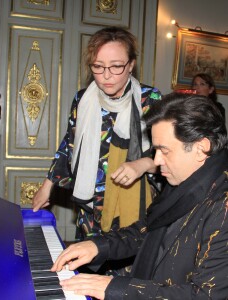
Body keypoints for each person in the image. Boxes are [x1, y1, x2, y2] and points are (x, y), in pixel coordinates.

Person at [51, 93, 228, 299]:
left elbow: (207, 295)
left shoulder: (222, 204)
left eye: (164, 150)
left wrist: (116, 288)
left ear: (201, 148)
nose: (157, 160)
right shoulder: (186, 181)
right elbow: (146, 230)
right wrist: (98, 246)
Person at [32, 26, 162, 249]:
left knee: (123, 278)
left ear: (131, 65)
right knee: (88, 272)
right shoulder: (83, 98)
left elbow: (169, 153)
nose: (107, 75)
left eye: (116, 66)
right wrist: (47, 186)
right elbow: (69, 143)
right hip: (90, 207)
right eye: (98, 67)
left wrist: (143, 164)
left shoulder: (150, 99)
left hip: (132, 208)